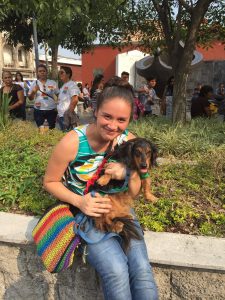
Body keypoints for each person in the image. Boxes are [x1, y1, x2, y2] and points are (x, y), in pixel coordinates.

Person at [43, 77, 158, 300]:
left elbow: (133, 192)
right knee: (115, 271)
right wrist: (80, 202)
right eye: (107, 116)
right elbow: (50, 182)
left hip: (121, 209)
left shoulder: (129, 142)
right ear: (95, 110)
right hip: (87, 214)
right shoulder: (73, 142)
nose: (113, 125)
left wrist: (127, 173)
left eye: (121, 120)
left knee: (142, 271)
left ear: (129, 119)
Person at [28, 64, 59, 129]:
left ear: (46, 72)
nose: (42, 72)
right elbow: (30, 98)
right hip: (38, 110)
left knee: (51, 130)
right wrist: (34, 91)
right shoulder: (34, 83)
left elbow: (59, 95)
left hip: (51, 110)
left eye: (44, 71)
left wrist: (59, 105)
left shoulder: (52, 83)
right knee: (41, 130)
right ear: (37, 73)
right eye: (40, 71)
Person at [57, 66, 80, 131]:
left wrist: (69, 114)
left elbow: (75, 99)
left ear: (68, 74)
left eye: (62, 72)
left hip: (67, 117)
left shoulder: (72, 85)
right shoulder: (63, 86)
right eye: (59, 73)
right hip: (61, 116)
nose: (60, 74)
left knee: (68, 136)